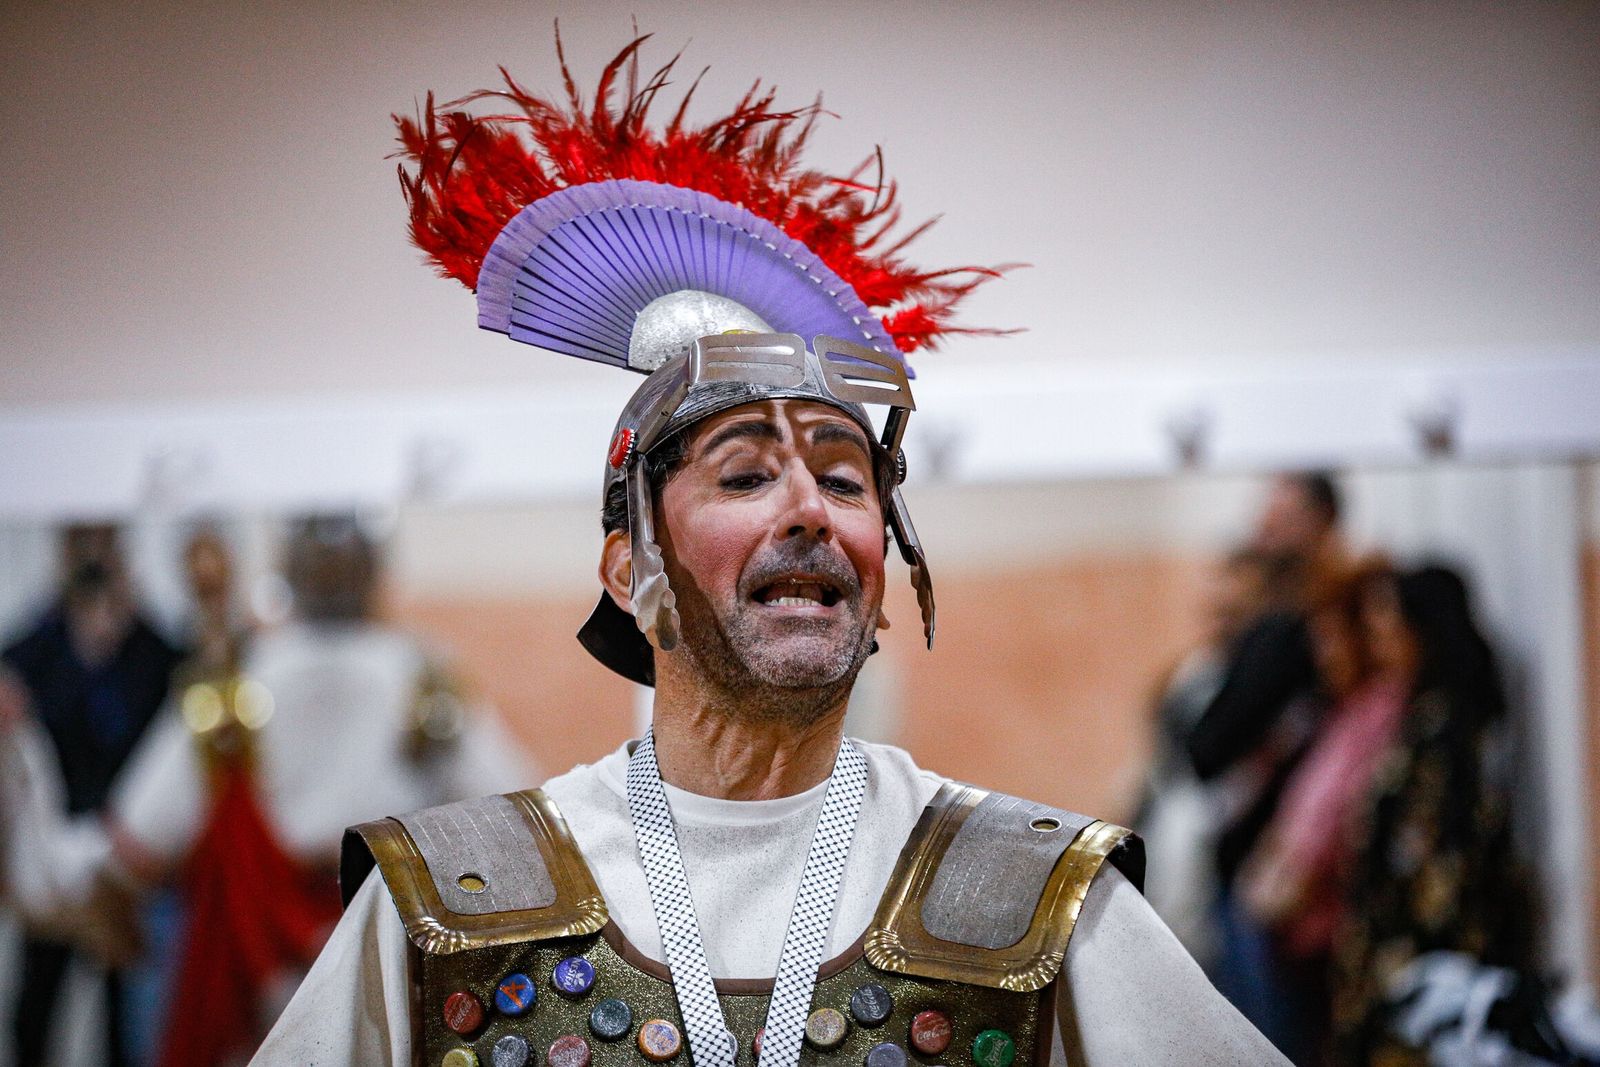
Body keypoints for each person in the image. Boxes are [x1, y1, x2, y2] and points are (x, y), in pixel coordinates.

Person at [254, 36, 1285, 1066]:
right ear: (630, 573)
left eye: (845, 478)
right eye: (745, 475)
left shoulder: (1035, 894)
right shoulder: (440, 904)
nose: (810, 509)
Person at [1, 522, 184, 1065]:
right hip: (52, 854)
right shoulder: (35, 648)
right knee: (37, 1006)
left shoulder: (152, 649)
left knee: (124, 1013)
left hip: (123, 851)